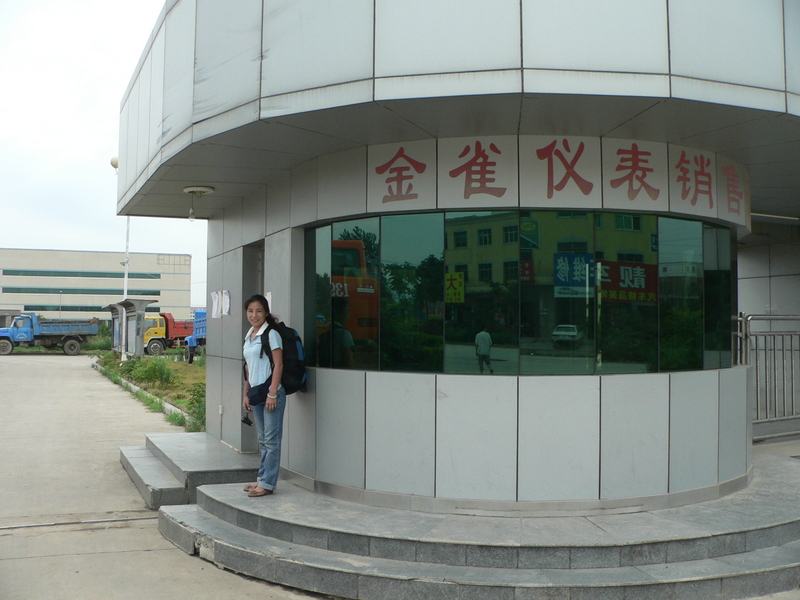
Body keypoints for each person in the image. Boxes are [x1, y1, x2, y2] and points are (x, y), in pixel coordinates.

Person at [241, 294, 285, 497]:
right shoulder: (250, 334)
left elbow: (279, 364)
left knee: (271, 439)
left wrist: (273, 393)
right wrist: (246, 394)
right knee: (262, 439)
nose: (254, 314)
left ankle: (267, 484)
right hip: (256, 393)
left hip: (270, 392)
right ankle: (261, 479)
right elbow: (248, 368)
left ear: (266, 312)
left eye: (259, 310)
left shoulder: (271, 334)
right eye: (250, 310)